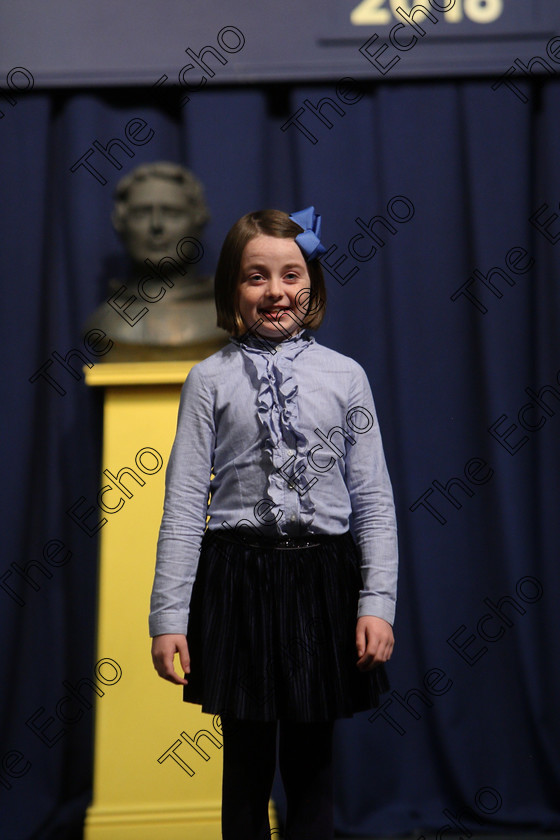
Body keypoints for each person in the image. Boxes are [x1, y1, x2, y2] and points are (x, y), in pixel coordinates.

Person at [149, 207, 398, 840]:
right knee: (246, 770)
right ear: (232, 287)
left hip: (323, 582)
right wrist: (168, 619)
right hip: (238, 581)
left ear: (312, 282)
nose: (276, 291)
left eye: (291, 275)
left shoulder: (347, 378)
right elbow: (182, 507)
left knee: (312, 768)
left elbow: (372, 498)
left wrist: (377, 602)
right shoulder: (208, 382)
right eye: (256, 277)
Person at [83, 161, 226, 359]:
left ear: (198, 221)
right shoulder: (105, 322)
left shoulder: (225, 319)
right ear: (120, 224)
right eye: (141, 214)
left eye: (172, 213)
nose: (156, 225)